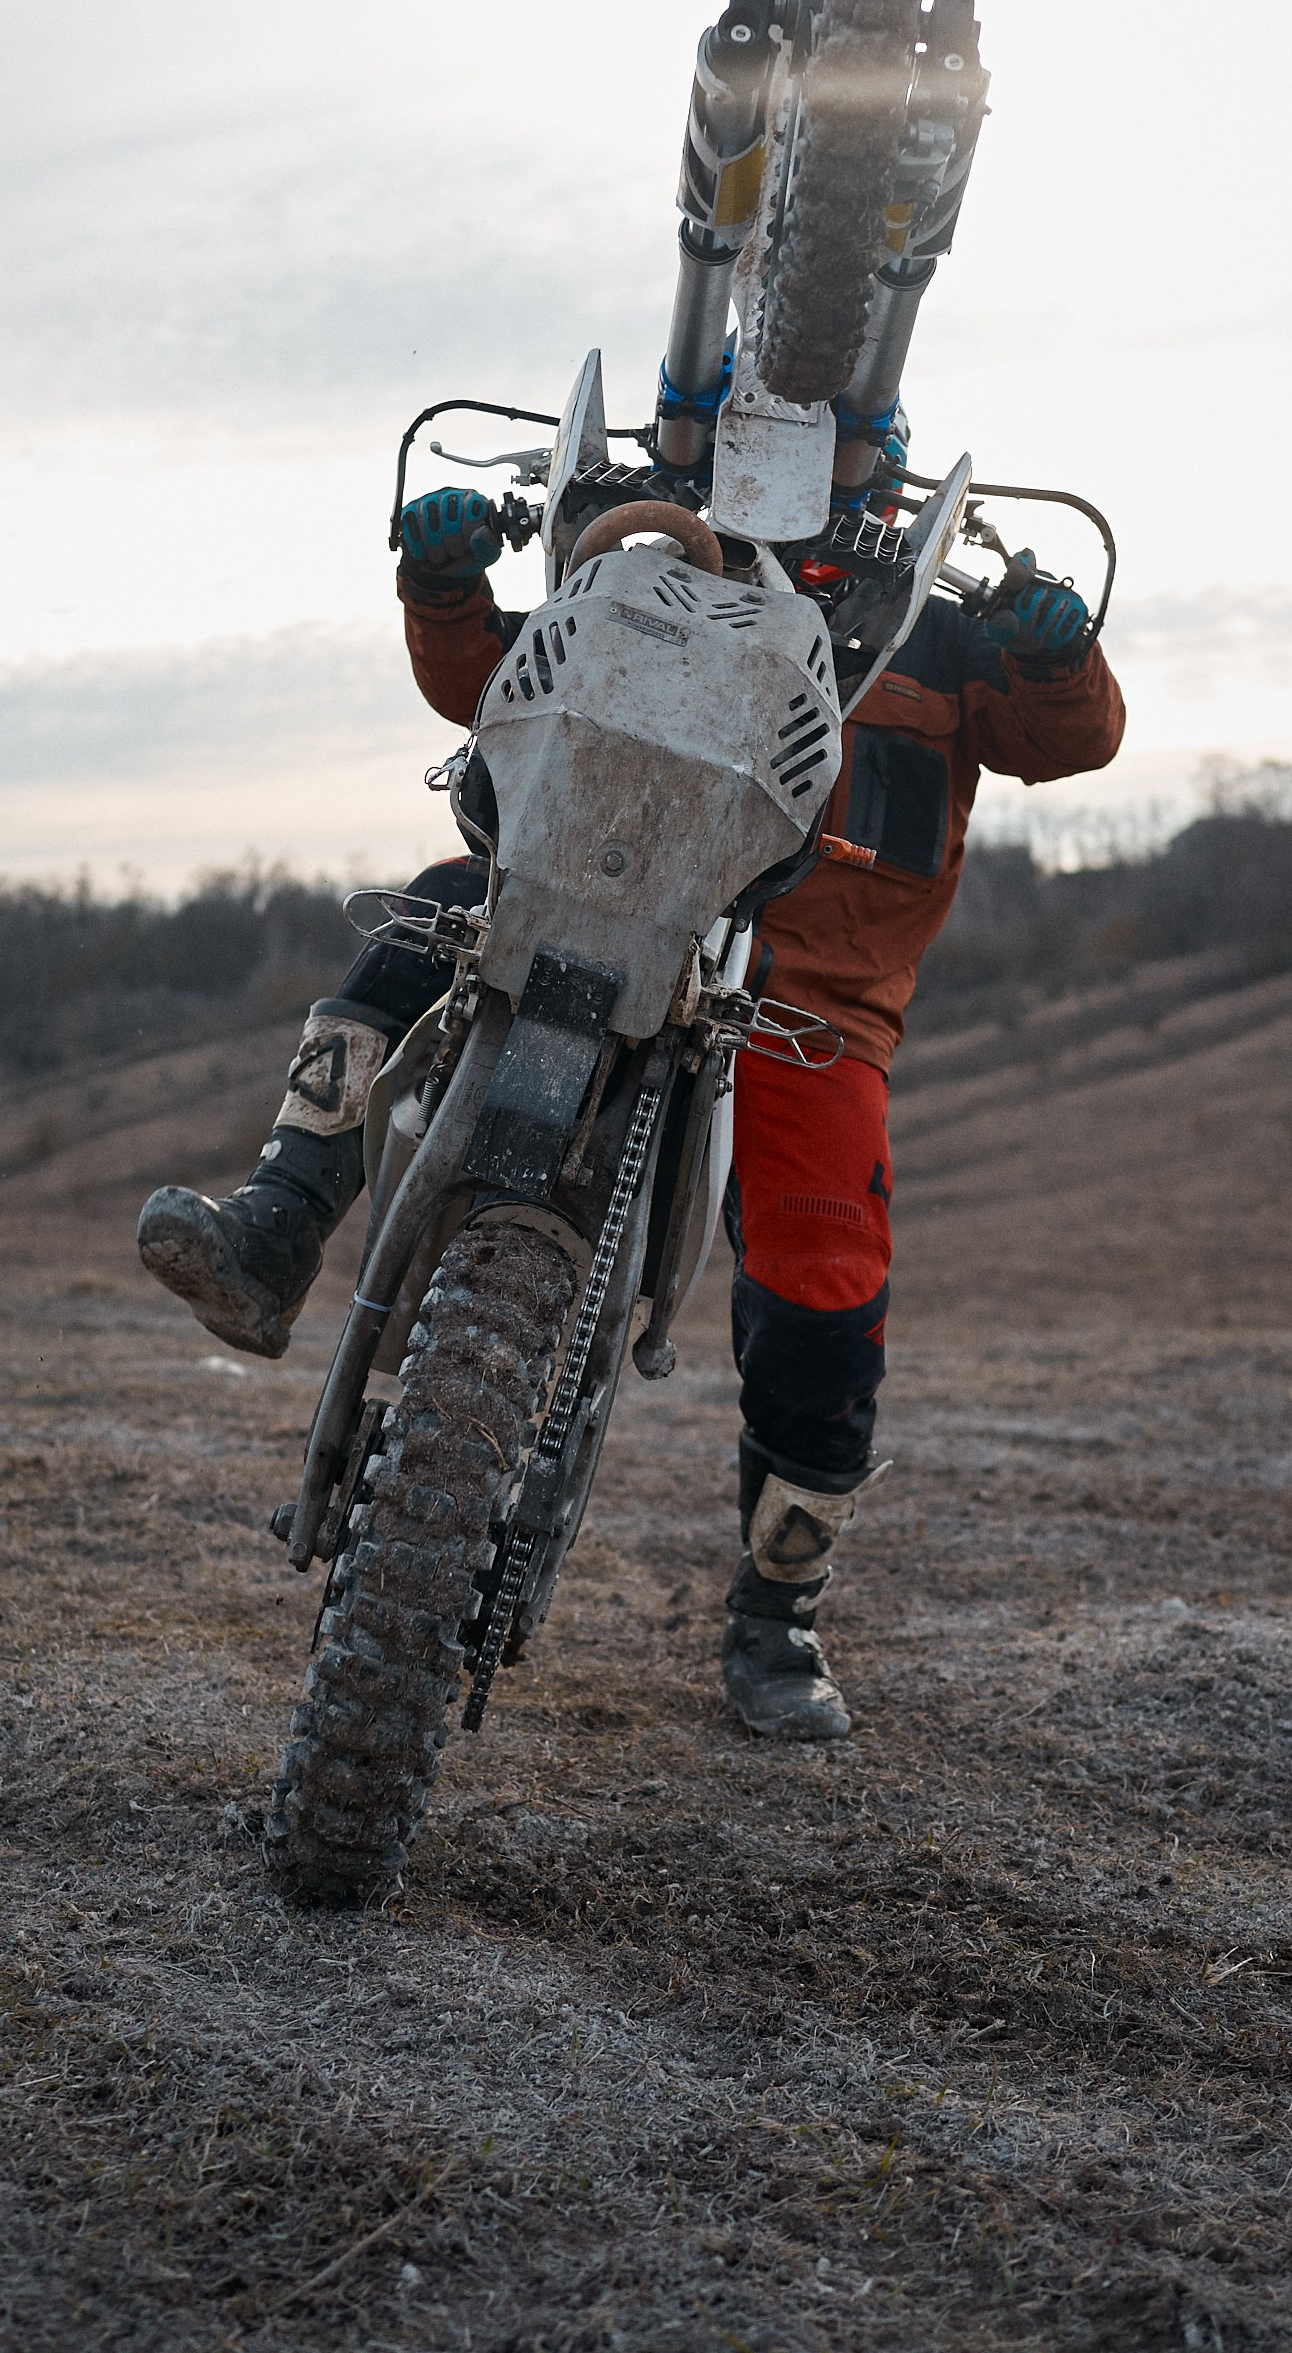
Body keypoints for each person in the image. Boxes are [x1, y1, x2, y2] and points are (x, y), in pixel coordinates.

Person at [139, 461, 1124, 1742]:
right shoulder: (652, 558)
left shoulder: (933, 621)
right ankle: (275, 1227)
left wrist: (1054, 652)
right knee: (415, 928)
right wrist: (444, 583)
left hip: (805, 994)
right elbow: (492, 683)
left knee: (825, 1261)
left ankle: (779, 1609)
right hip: (594, 893)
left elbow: (1074, 738)